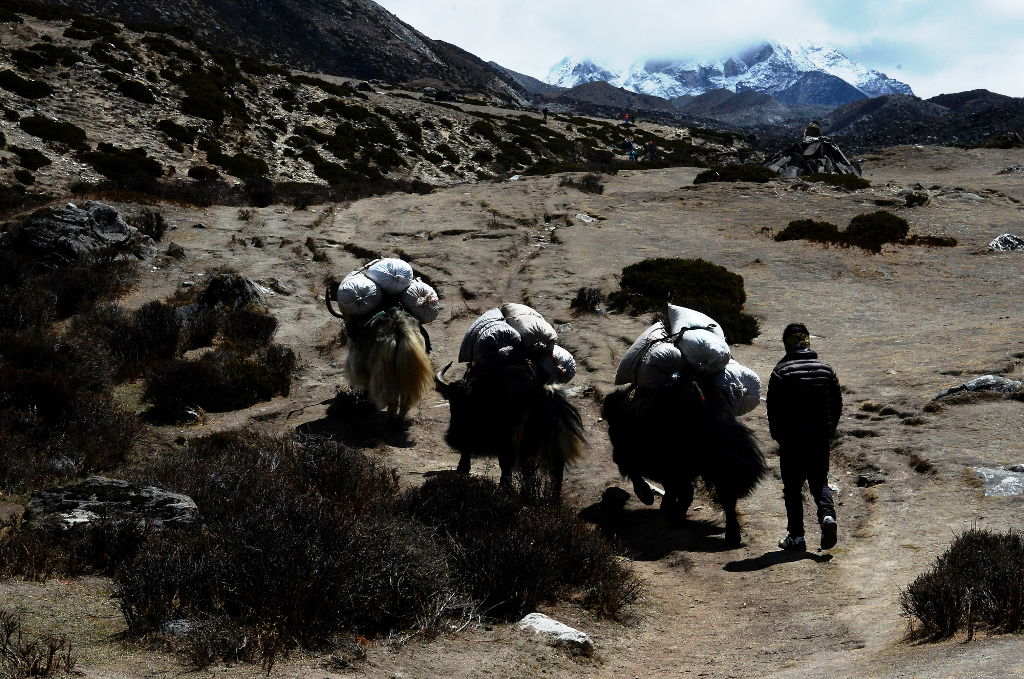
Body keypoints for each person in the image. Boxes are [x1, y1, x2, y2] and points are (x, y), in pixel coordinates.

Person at [767, 323, 842, 551]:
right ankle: (827, 517)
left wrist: (779, 437)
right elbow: (837, 405)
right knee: (820, 482)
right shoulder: (826, 370)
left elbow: (773, 410)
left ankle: (797, 537)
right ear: (807, 341)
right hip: (819, 439)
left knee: (792, 488)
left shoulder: (781, 372)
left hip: (792, 441)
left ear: (786, 345)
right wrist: (829, 430)